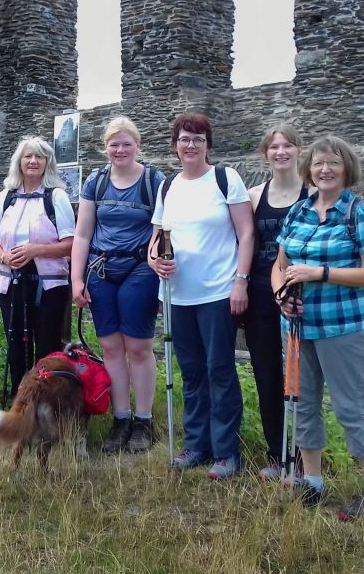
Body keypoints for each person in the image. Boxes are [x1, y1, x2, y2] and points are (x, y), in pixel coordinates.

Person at [273, 135, 364, 521]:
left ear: (346, 169)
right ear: (309, 169)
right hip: (297, 325)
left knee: (351, 406)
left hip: (344, 325)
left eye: (333, 163)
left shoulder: (361, 212)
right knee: (303, 404)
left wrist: (319, 273)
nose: (325, 170)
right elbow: (280, 265)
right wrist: (281, 295)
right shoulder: (299, 211)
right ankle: (312, 483)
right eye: (319, 163)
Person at [149, 112, 254, 480]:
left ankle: (226, 452)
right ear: (174, 145)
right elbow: (159, 239)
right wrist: (154, 262)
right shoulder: (167, 187)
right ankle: (197, 445)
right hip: (178, 296)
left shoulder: (225, 179)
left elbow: (247, 233)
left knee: (220, 370)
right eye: (184, 138)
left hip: (217, 293)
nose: (190, 145)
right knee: (192, 372)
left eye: (197, 138)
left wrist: (240, 281)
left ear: (208, 144)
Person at [70, 117, 163, 454]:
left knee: (138, 347)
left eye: (126, 143)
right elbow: (82, 233)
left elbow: (162, 230)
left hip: (141, 267)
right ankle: (120, 418)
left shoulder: (153, 180)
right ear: (105, 148)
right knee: (110, 347)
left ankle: (143, 420)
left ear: (137, 145)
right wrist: (76, 279)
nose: (120, 150)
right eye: (114, 144)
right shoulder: (96, 182)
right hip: (101, 268)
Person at [243, 124, 310, 480]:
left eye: (287, 146)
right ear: (265, 153)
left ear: (299, 151)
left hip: (301, 295)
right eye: (274, 146)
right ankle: (276, 454)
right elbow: (244, 243)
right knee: (267, 375)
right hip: (260, 294)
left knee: (302, 378)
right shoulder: (255, 196)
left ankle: (303, 459)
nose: (281, 152)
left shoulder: (312, 194)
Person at [0, 136, 75, 400]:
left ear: (47, 162)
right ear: (19, 162)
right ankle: (21, 406)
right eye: (28, 156)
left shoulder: (56, 197)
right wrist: (4, 257)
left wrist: (35, 250)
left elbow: (71, 243)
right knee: (16, 348)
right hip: (11, 284)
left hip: (49, 287)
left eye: (39, 156)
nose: (33, 161)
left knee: (47, 348)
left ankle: (49, 406)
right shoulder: (5, 198)